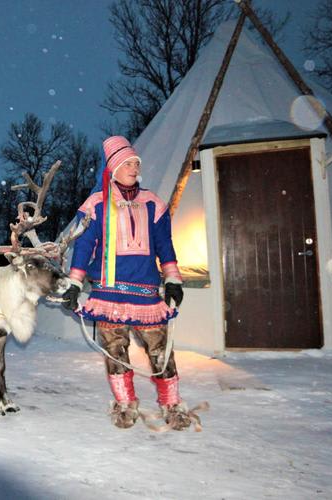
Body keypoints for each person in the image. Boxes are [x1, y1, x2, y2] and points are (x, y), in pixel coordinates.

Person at [61, 135, 190, 430]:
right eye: (128, 162)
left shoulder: (153, 204)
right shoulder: (95, 205)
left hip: (146, 294)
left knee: (161, 352)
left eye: (136, 163)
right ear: (114, 167)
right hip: (108, 295)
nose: (134, 167)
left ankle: (172, 405)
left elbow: (164, 244)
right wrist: (73, 284)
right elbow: (83, 248)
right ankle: (124, 405)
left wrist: (172, 279)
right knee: (115, 353)